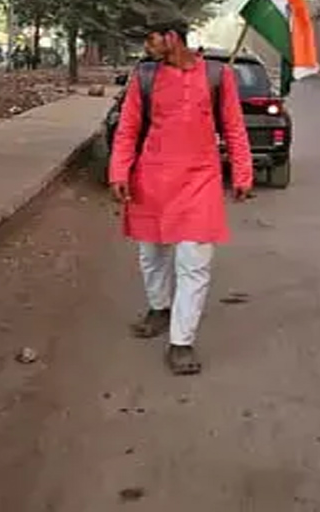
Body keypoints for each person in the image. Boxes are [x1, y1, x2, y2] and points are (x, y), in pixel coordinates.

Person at [108, 20, 253, 375]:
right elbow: (127, 128)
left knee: (195, 262)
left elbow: (234, 124)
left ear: (172, 38)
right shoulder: (145, 76)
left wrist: (243, 170)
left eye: (152, 41)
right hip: (152, 178)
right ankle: (160, 308)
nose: (148, 48)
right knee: (152, 254)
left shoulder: (218, 75)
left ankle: (181, 342)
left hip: (200, 180)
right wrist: (118, 172)